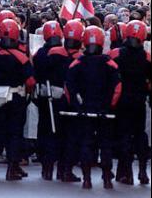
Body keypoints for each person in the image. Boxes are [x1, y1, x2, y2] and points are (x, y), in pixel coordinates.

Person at [65, 26, 122, 189]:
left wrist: (77, 106)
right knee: (105, 144)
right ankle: (106, 179)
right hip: (105, 112)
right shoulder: (110, 64)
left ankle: (87, 178)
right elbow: (118, 88)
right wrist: (110, 107)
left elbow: (69, 88)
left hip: (85, 110)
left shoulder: (77, 63)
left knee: (86, 143)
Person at [0, 19, 36, 181]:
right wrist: (28, 94)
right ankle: (12, 169)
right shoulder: (22, 57)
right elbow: (31, 82)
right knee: (15, 133)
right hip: (17, 98)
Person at [109, 20, 151, 185]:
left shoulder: (115, 54)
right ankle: (142, 169)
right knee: (140, 134)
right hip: (139, 100)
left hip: (121, 100)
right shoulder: (147, 58)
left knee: (123, 134)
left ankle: (125, 171)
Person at [43, 19, 84, 183]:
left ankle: (48, 168)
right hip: (72, 100)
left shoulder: (52, 53)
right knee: (70, 137)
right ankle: (65, 170)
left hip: (54, 99)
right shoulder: (81, 58)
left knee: (52, 135)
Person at [33, 20, 64, 180]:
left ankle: (46, 166)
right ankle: (58, 167)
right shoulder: (63, 53)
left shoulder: (39, 54)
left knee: (44, 129)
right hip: (60, 98)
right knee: (58, 132)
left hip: (43, 96)